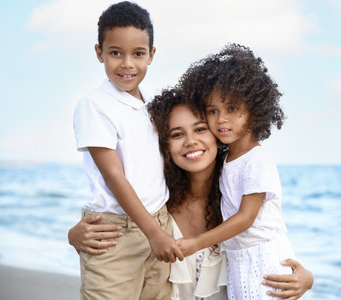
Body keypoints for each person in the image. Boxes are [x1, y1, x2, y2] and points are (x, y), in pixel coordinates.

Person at [69, 87, 314, 299]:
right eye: (177, 134)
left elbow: (267, 245)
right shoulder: (155, 210)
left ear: (218, 134)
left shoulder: (233, 201)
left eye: (200, 129)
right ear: (165, 145)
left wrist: (306, 278)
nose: (190, 141)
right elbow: (123, 240)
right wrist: (74, 236)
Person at [72, 2, 182, 299]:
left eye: (138, 54)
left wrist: (160, 230)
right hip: (114, 237)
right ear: (100, 53)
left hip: (159, 224)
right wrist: (153, 233)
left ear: (152, 55)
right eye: (115, 52)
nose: (127, 64)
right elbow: (113, 175)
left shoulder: (153, 104)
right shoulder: (94, 106)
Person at [175, 44, 302, 299]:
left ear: (255, 109)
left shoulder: (257, 160)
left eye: (232, 109)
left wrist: (197, 243)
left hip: (264, 260)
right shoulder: (225, 159)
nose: (221, 119)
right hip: (238, 260)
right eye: (213, 111)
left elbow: (246, 218)